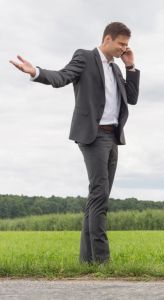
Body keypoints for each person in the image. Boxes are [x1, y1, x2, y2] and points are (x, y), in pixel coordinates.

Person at [9, 22, 140, 264]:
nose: (124, 48)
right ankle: (102, 262)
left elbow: (131, 98)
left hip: (112, 137)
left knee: (97, 197)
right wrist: (35, 71)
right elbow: (62, 77)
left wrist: (130, 66)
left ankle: (87, 261)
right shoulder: (85, 57)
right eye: (121, 44)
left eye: (127, 45)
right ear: (108, 39)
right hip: (93, 135)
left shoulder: (116, 69)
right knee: (100, 196)